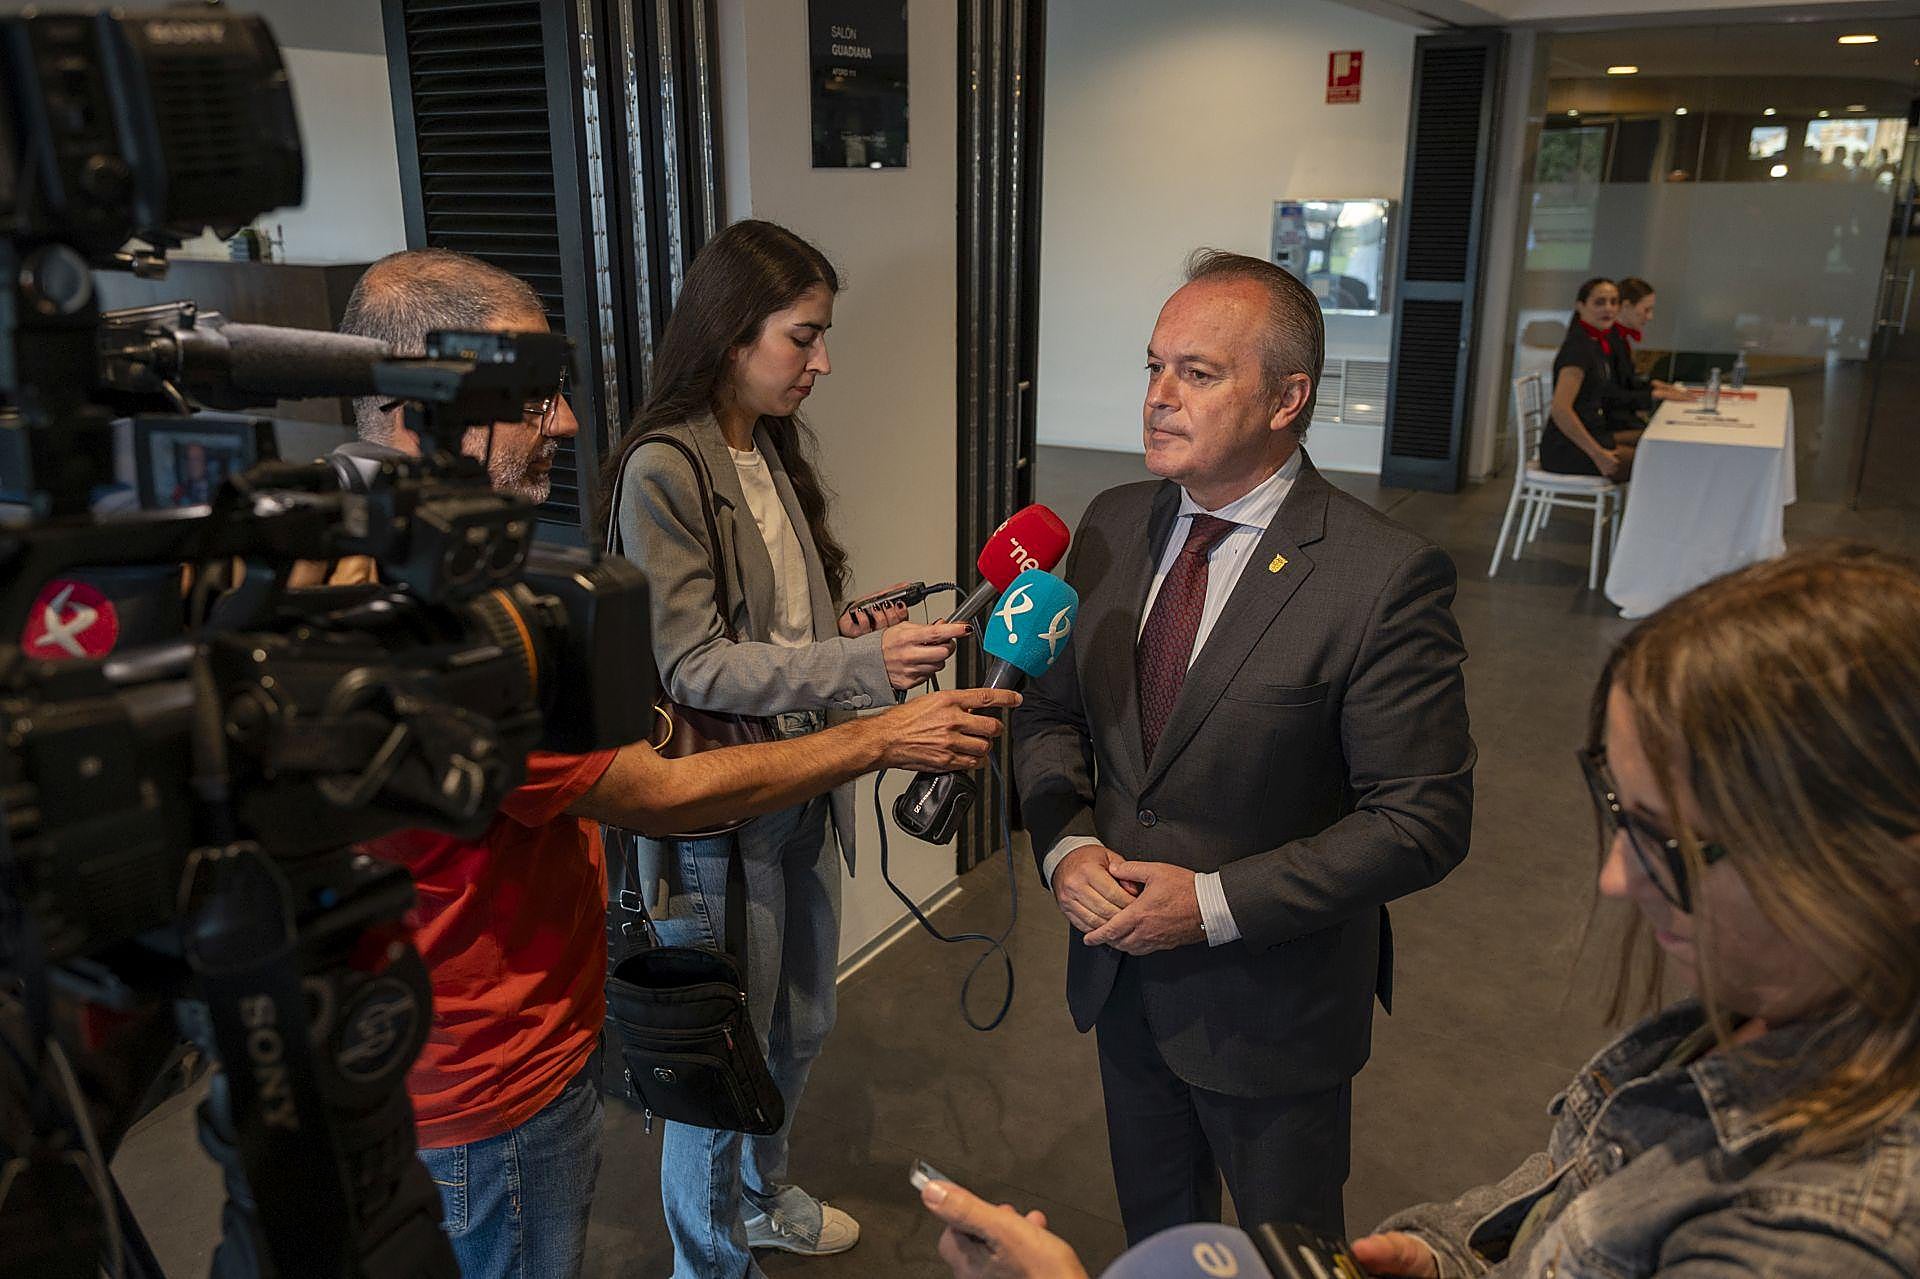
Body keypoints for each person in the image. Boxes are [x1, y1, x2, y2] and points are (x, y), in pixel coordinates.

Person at [185, 247, 1019, 1279]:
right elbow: (661, 785)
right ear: (415, 401)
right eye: (533, 398)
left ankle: (749, 1209)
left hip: (480, 1063)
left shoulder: (380, 577)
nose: (570, 423)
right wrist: (879, 731)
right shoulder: (450, 626)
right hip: (485, 1090)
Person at [923, 543, 1920, 1279]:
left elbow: (1422, 818)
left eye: (1666, 837)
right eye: (1616, 810)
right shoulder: (1744, 1031)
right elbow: (1583, 1186)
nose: (1616, 879)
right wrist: (1451, 1257)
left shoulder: (1819, 1239)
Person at [1011, 249, 1475, 1244]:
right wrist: (1067, 848)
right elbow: (1050, 718)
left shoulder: (1382, 575)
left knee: (1287, 1253)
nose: (1159, 398)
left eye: (1198, 372)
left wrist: (1213, 905)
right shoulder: (1109, 523)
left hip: (1272, 1011)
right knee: (1157, 1241)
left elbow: (1424, 819)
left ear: (1286, 398)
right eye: (1152, 367)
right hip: (1121, 982)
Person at [605, 219, 970, 1276]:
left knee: (802, 1024)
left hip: (805, 787)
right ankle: (707, 1262)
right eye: (802, 338)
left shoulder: (763, 443)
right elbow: (696, 667)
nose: (821, 362)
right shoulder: (662, 469)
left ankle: (762, 1199)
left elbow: (769, 636)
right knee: (721, 1058)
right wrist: (863, 675)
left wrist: (851, 634)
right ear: (731, 334)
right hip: (724, 817)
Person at [1541, 277, 1634, 480]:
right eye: (1599, 302)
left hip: (1591, 433)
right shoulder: (1578, 349)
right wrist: (1598, 455)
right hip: (1566, 447)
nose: (1608, 309)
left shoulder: (1596, 343)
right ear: (1580, 307)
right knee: (1652, 460)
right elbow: (1560, 410)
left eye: (1613, 302)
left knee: (1650, 441)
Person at [1601, 276, 1689, 435]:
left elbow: (1625, 382)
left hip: (1618, 417)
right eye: (1646, 310)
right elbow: (1610, 394)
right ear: (1626, 306)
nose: (1650, 317)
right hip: (1609, 423)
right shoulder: (1607, 341)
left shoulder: (1619, 339)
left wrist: (1653, 385)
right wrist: (1653, 394)